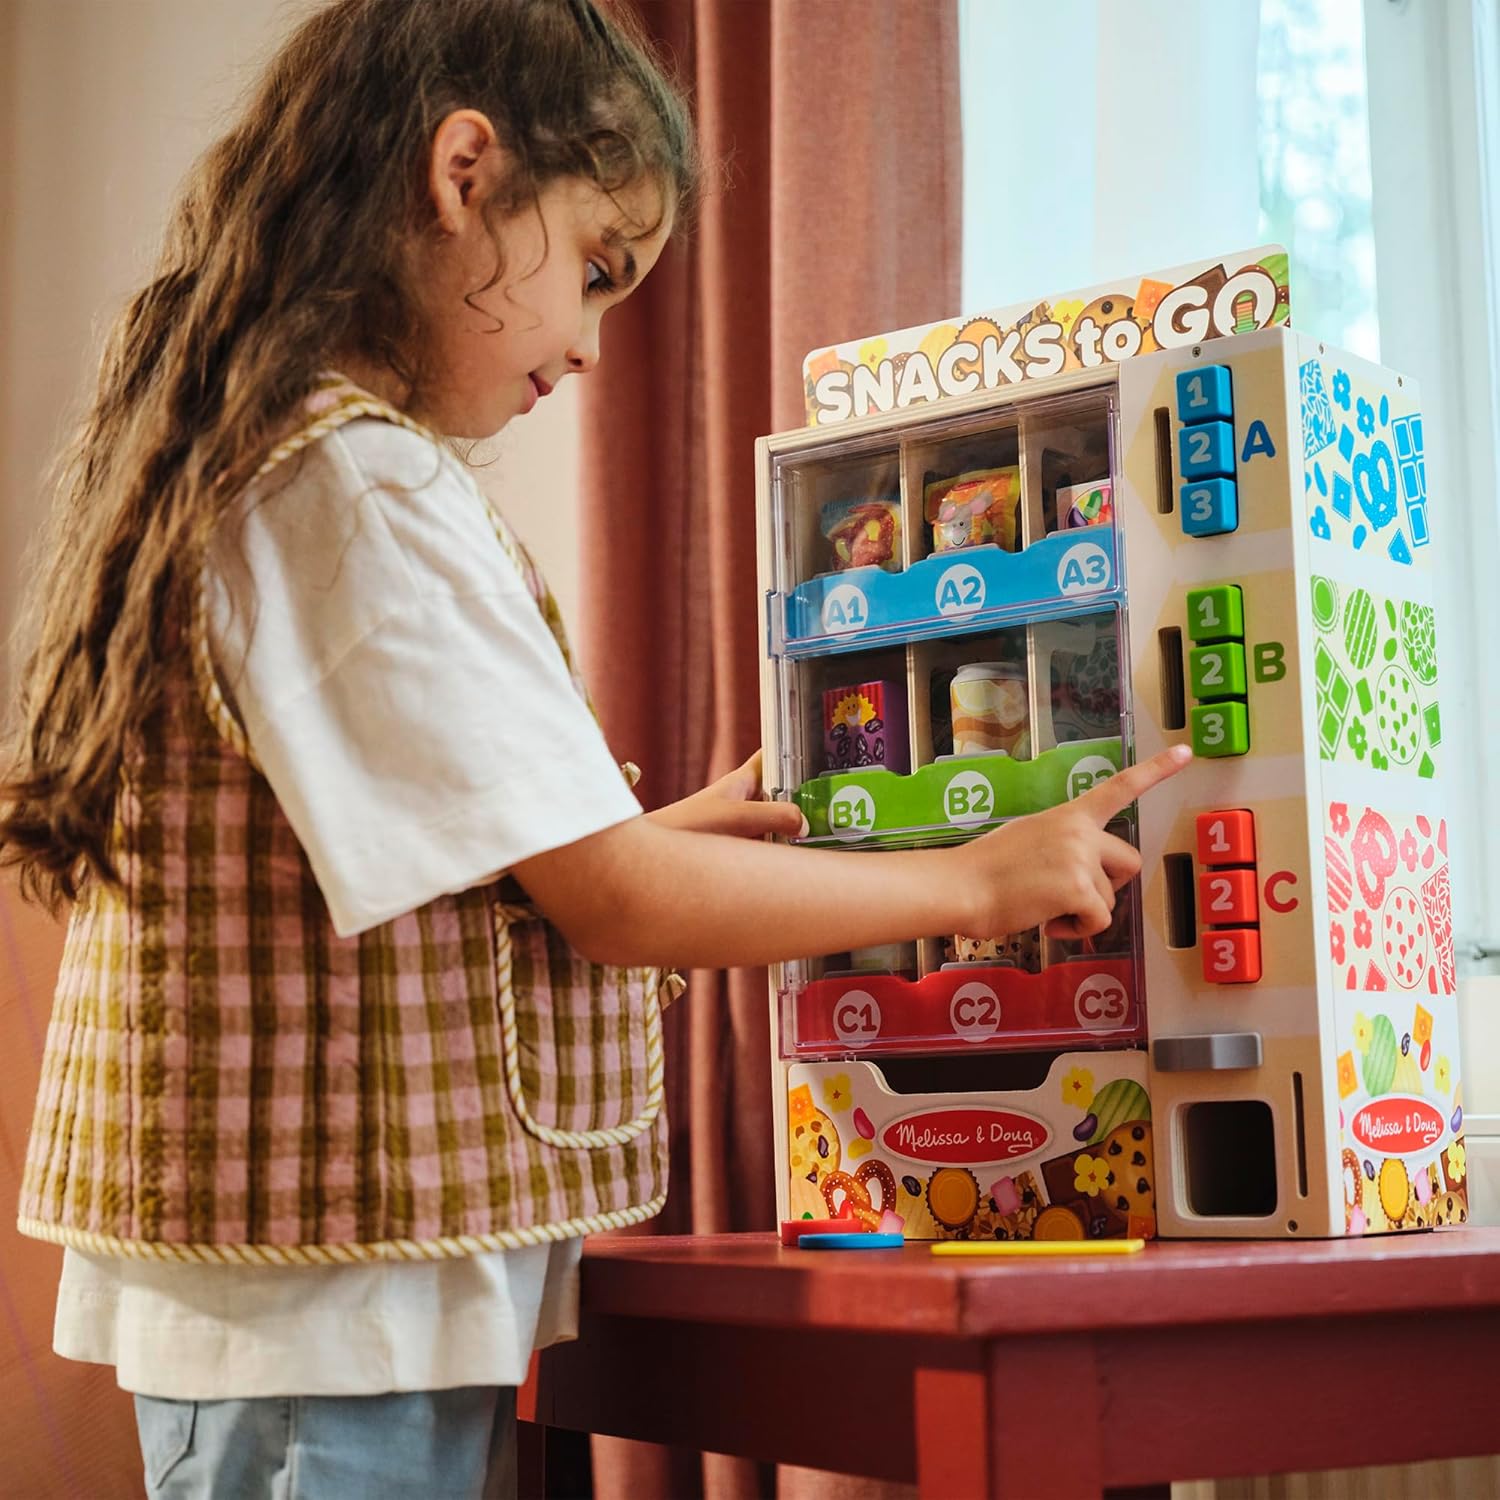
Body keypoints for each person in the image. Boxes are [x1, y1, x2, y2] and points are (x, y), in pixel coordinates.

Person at [0, 0, 1190, 1493]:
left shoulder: (294, 460)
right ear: (464, 173)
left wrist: (656, 834)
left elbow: (459, 855)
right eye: (596, 271)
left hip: (326, 1308)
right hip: (325, 1320)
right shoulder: (352, 486)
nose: (590, 343)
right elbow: (611, 901)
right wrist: (974, 880)